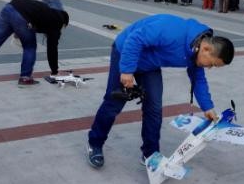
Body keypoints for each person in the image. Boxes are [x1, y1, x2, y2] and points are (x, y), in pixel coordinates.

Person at [86, 14, 235, 168]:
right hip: (125, 51)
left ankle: (150, 154)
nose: (209, 67)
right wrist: (127, 71)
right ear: (206, 48)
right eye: (212, 64)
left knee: (154, 107)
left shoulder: (196, 52)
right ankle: (94, 143)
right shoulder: (172, 30)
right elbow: (135, 39)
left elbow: (198, 80)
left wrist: (207, 107)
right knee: (114, 103)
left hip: (149, 64)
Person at [0, 0, 69, 86]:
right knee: (29, 47)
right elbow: (52, 48)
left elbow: (33, 19)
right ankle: (25, 78)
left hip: (8, 8)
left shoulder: (47, 11)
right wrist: (54, 71)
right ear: (64, 23)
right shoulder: (57, 21)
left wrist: (17, 31)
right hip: (21, 16)